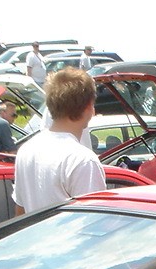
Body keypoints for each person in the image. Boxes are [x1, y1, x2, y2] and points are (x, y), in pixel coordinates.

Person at [12, 66, 104, 215]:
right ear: (89, 107)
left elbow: (20, 211)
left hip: (36, 230)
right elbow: (94, 219)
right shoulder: (82, 160)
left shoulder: (26, 150)